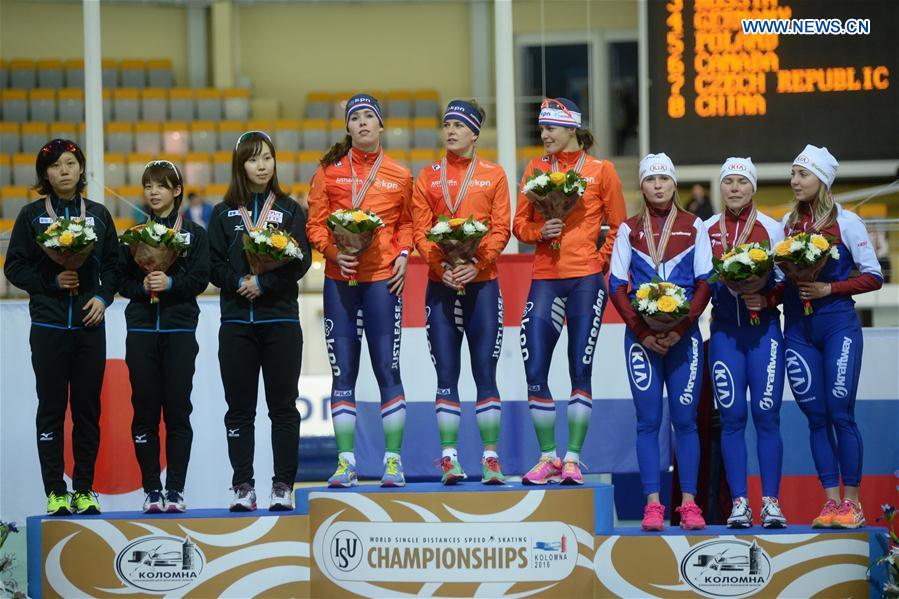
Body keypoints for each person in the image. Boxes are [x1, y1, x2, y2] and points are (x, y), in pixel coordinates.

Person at [512, 98, 627, 485]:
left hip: (584, 280)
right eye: (541, 128)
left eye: (551, 128)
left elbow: (619, 225)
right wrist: (536, 233)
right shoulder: (535, 168)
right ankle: (548, 457)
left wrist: (599, 258)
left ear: (571, 129)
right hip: (544, 276)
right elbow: (519, 224)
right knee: (534, 368)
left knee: (580, 368)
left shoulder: (601, 170)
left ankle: (574, 459)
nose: (543, 135)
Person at [4, 139, 119, 516]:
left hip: (88, 326)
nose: (64, 171)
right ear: (45, 174)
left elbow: (115, 267)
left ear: (81, 169)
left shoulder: (99, 215)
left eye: (70, 163)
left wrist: (102, 298)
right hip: (50, 324)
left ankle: (84, 489)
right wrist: (50, 282)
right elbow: (14, 267)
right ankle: (55, 490)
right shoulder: (31, 215)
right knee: (51, 409)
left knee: (87, 410)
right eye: (55, 166)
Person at [307, 94, 414, 488]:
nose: (364, 123)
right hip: (340, 281)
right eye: (357, 118)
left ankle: (392, 462)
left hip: (383, 281)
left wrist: (404, 253)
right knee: (343, 373)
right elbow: (314, 225)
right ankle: (346, 463)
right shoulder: (328, 172)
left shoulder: (401, 175)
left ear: (381, 125)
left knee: (388, 369)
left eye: (370, 117)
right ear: (348, 128)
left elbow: (408, 224)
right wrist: (334, 251)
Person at [208, 130, 312, 511]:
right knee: (239, 409)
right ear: (241, 165)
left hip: (280, 320)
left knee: (283, 407)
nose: (262, 165)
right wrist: (239, 281)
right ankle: (243, 485)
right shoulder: (222, 213)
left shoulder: (289, 210)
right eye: (253, 159)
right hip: (236, 323)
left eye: (267, 157)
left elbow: (300, 261)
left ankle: (283, 485)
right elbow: (212, 265)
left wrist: (264, 282)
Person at [609, 153, 713, 531]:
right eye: (651, 179)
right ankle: (652, 504)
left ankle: (688, 504)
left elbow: (705, 282)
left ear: (674, 184)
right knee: (648, 421)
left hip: (684, 339)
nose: (657, 185)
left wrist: (679, 329)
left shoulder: (694, 225)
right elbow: (616, 286)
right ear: (642, 185)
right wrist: (642, 332)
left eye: (664, 179)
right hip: (641, 340)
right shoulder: (628, 229)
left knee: (685, 422)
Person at [781, 145, 882, 528]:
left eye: (802, 175)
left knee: (840, 412)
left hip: (837, 326)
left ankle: (852, 503)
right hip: (799, 330)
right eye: (793, 174)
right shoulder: (787, 225)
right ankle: (830, 502)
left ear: (821, 180)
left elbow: (874, 276)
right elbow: (778, 277)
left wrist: (829, 289)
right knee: (816, 418)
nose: (794, 181)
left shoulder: (847, 222)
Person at [411, 99, 511, 484]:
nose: (450, 131)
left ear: (474, 133)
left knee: (485, 371)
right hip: (441, 286)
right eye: (446, 124)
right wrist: (442, 267)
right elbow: (420, 231)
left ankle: (490, 458)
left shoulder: (493, 175)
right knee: (446, 373)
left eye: (458, 125)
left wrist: (476, 264)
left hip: (482, 285)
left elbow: (500, 229)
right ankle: (449, 458)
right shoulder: (427, 177)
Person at [118, 160, 209, 513]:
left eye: (161, 185)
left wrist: (171, 284)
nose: (153, 192)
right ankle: (151, 490)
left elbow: (201, 278)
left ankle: (175, 491)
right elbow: (120, 282)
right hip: (141, 329)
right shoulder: (134, 235)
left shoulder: (195, 234)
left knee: (177, 413)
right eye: (148, 186)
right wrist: (141, 288)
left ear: (176, 190)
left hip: (179, 329)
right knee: (143, 413)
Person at [704, 157, 787, 528]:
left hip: (764, 332)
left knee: (767, 416)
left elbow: (791, 280)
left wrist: (767, 298)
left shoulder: (773, 227)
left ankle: (771, 502)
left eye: (741, 181)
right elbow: (698, 284)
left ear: (753, 187)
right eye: (728, 182)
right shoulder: (705, 229)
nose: (734, 188)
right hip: (724, 334)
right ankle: (740, 502)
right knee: (733, 418)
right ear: (720, 187)